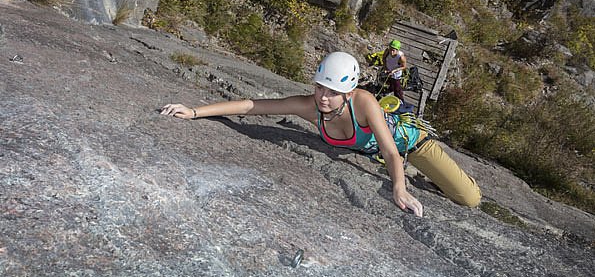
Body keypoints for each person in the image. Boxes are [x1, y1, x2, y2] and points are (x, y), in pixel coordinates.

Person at [160, 52, 481, 217]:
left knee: (469, 198)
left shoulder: (365, 102)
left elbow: (391, 151)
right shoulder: (309, 107)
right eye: (319, 87)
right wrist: (194, 112)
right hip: (374, 154)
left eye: (333, 90)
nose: (323, 96)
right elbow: (253, 106)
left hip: (411, 144)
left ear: (349, 90)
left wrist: (399, 188)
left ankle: (430, 177)